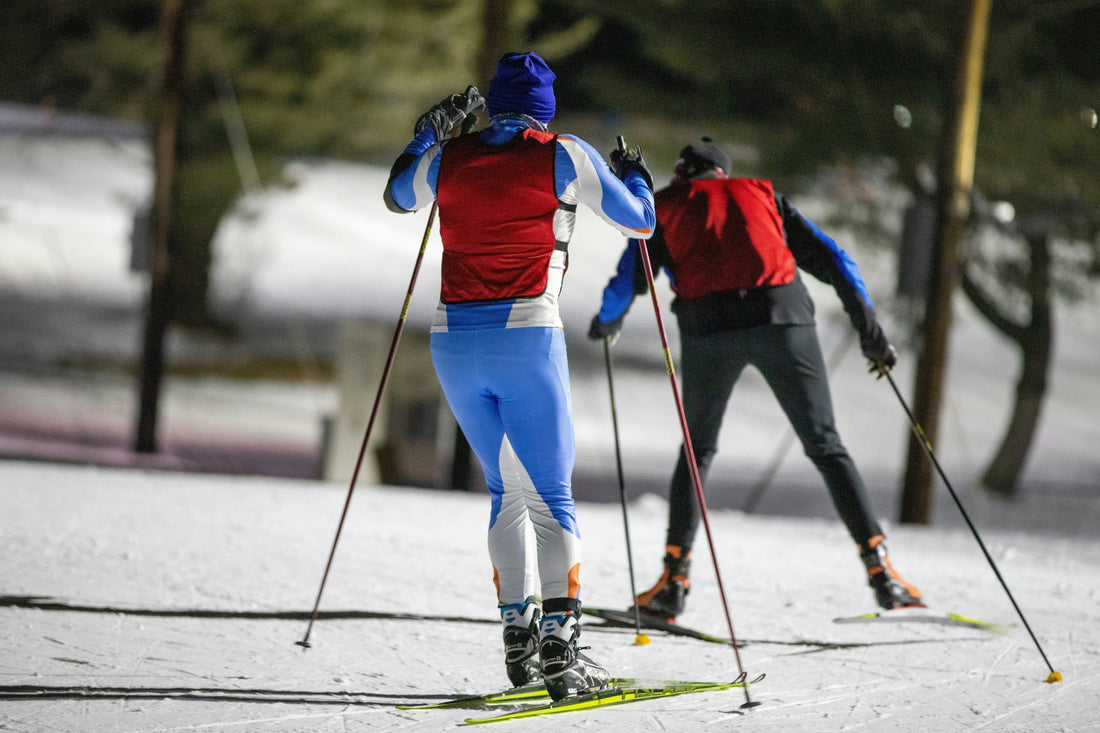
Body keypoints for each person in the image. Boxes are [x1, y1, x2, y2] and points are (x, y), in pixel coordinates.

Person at [383, 52, 655, 699]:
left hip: (455, 342)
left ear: (494, 102)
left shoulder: (452, 156)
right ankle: (560, 644)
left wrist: (429, 132)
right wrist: (636, 173)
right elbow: (640, 220)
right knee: (550, 495)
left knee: (506, 489)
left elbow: (396, 195)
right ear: (544, 108)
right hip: (527, 337)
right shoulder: (564, 153)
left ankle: (517, 630)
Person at [588, 137, 924, 621]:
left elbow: (629, 279)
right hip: (782, 318)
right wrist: (870, 332)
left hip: (709, 329)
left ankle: (673, 582)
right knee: (825, 444)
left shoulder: (665, 205)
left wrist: (607, 321)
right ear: (724, 174)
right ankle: (882, 571)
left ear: (683, 172)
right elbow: (834, 260)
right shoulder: (763, 195)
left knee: (697, 450)